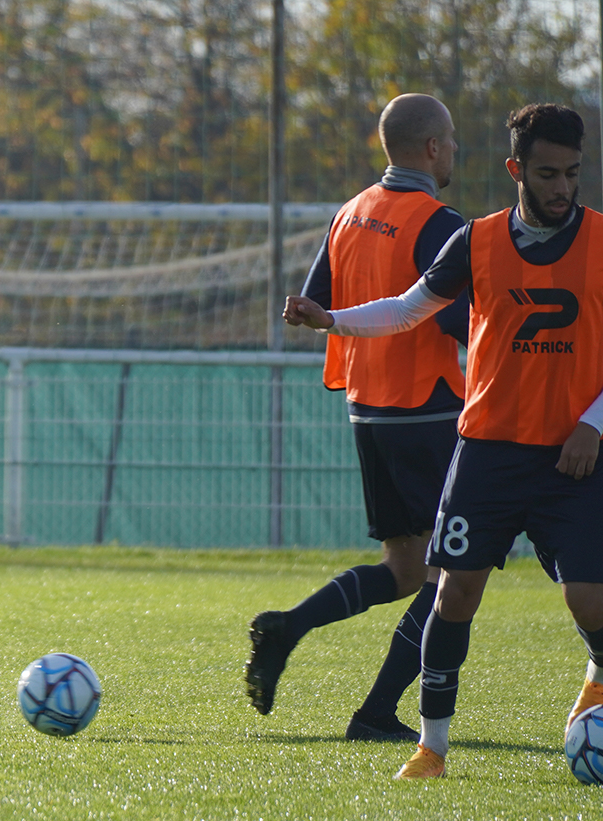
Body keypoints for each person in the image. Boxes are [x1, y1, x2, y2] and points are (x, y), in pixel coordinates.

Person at [283, 103, 603, 779]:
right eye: (547, 173)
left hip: (572, 455)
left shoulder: (602, 242)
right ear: (517, 169)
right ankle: (431, 747)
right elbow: (405, 310)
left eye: (573, 174)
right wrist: (330, 319)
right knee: (454, 592)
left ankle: (598, 674)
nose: (562, 188)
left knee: (589, 599)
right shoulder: (477, 241)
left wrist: (593, 424)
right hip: (486, 450)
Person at [245, 94, 469, 742]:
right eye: (451, 140)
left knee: (403, 569)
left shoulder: (352, 212)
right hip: (427, 408)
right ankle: (375, 714)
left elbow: (313, 301)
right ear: (431, 148)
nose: (454, 150)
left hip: (367, 410)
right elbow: (457, 319)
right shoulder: (437, 221)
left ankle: (288, 626)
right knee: (452, 570)